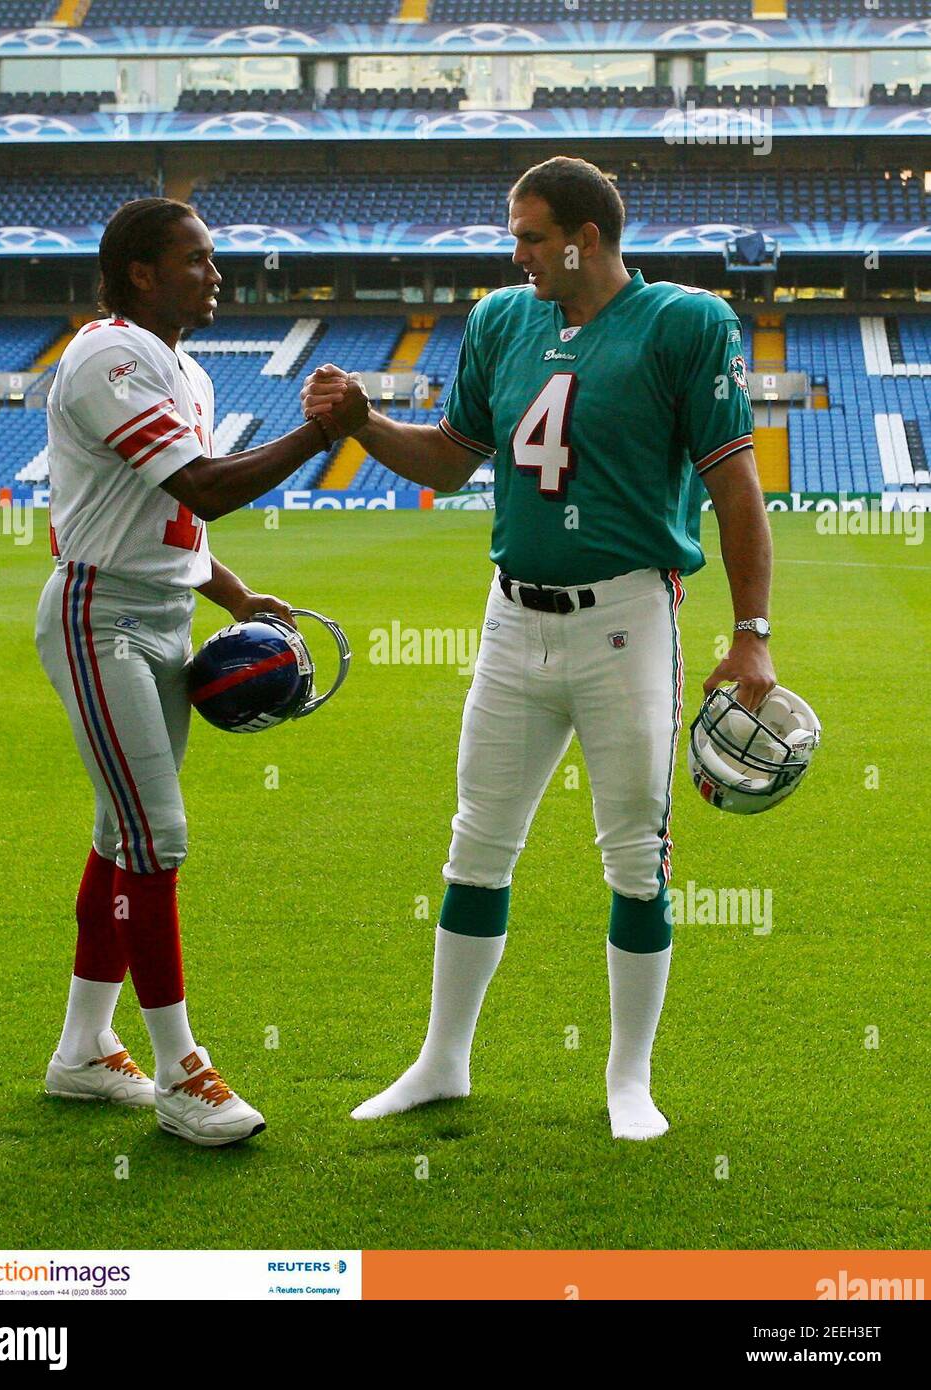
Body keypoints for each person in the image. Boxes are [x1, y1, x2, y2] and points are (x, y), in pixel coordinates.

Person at [302, 157, 776, 1140]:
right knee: (476, 841)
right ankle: (442, 1059)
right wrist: (363, 425)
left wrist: (750, 634)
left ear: (584, 238)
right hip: (512, 618)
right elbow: (448, 457)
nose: (514, 254)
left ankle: (628, 1080)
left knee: (635, 859)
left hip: (624, 620)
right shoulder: (502, 321)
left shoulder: (685, 322)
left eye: (528, 236)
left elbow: (736, 488)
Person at [38, 198, 366, 1146]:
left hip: (161, 612)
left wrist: (230, 594)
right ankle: (184, 1072)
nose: (216, 274)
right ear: (141, 272)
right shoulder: (108, 355)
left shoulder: (179, 365)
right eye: (197, 259)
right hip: (102, 617)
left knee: (122, 836)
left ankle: (84, 1051)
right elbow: (203, 486)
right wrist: (322, 433)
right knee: (158, 838)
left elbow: (176, 516)